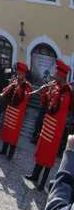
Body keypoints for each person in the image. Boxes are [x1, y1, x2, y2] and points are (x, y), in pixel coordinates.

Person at [27, 60, 72, 191]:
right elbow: (47, 104)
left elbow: (57, 108)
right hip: (48, 125)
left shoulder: (66, 91)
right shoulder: (57, 87)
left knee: (49, 155)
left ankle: (42, 182)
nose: (54, 76)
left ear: (62, 76)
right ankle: (35, 176)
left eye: (56, 75)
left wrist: (52, 93)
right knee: (41, 151)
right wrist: (44, 93)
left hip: (55, 129)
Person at [0, 62, 32, 160]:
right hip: (10, 109)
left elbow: (24, 98)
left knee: (14, 133)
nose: (17, 74)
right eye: (17, 73)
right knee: (7, 130)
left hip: (18, 113)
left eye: (19, 73)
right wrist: (10, 86)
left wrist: (18, 87)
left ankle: (10, 154)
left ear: (24, 74)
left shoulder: (27, 86)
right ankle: (4, 150)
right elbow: (6, 92)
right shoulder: (15, 82)